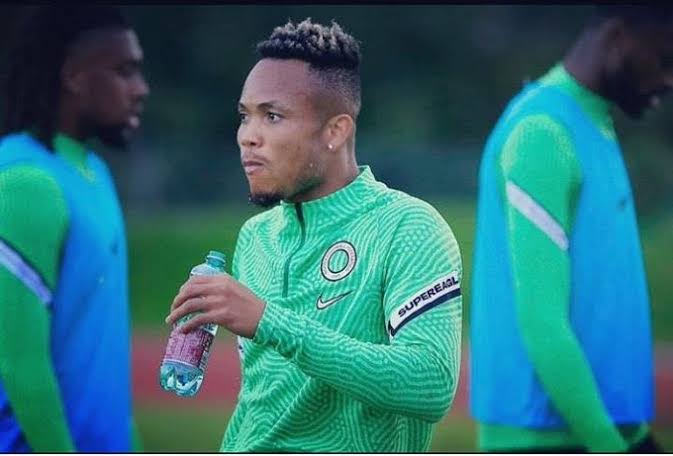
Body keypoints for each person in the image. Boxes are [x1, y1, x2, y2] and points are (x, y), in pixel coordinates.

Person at [166, 19, 463, 452]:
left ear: (335, 131)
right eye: (245, 116)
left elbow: (430, 383)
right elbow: (260, 403)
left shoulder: (409, 227)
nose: (248, 137)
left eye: (272, 116)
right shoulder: (256, 236)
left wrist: (269, 321)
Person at [470, 5, 673, 453]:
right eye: (664, 59)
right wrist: (611, 445)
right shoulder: (542, 133)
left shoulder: (592, 123)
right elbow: (542, 322)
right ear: (618, 35)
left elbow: (597, 304)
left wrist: (635, 437)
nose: (668, 80)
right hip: (539, 439)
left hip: (592, 430)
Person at [0, 5, 149, 452]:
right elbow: (19, 364)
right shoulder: (24, 182)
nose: (141, 89)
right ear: (73, 76)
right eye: (124, 71)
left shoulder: (94, 173)